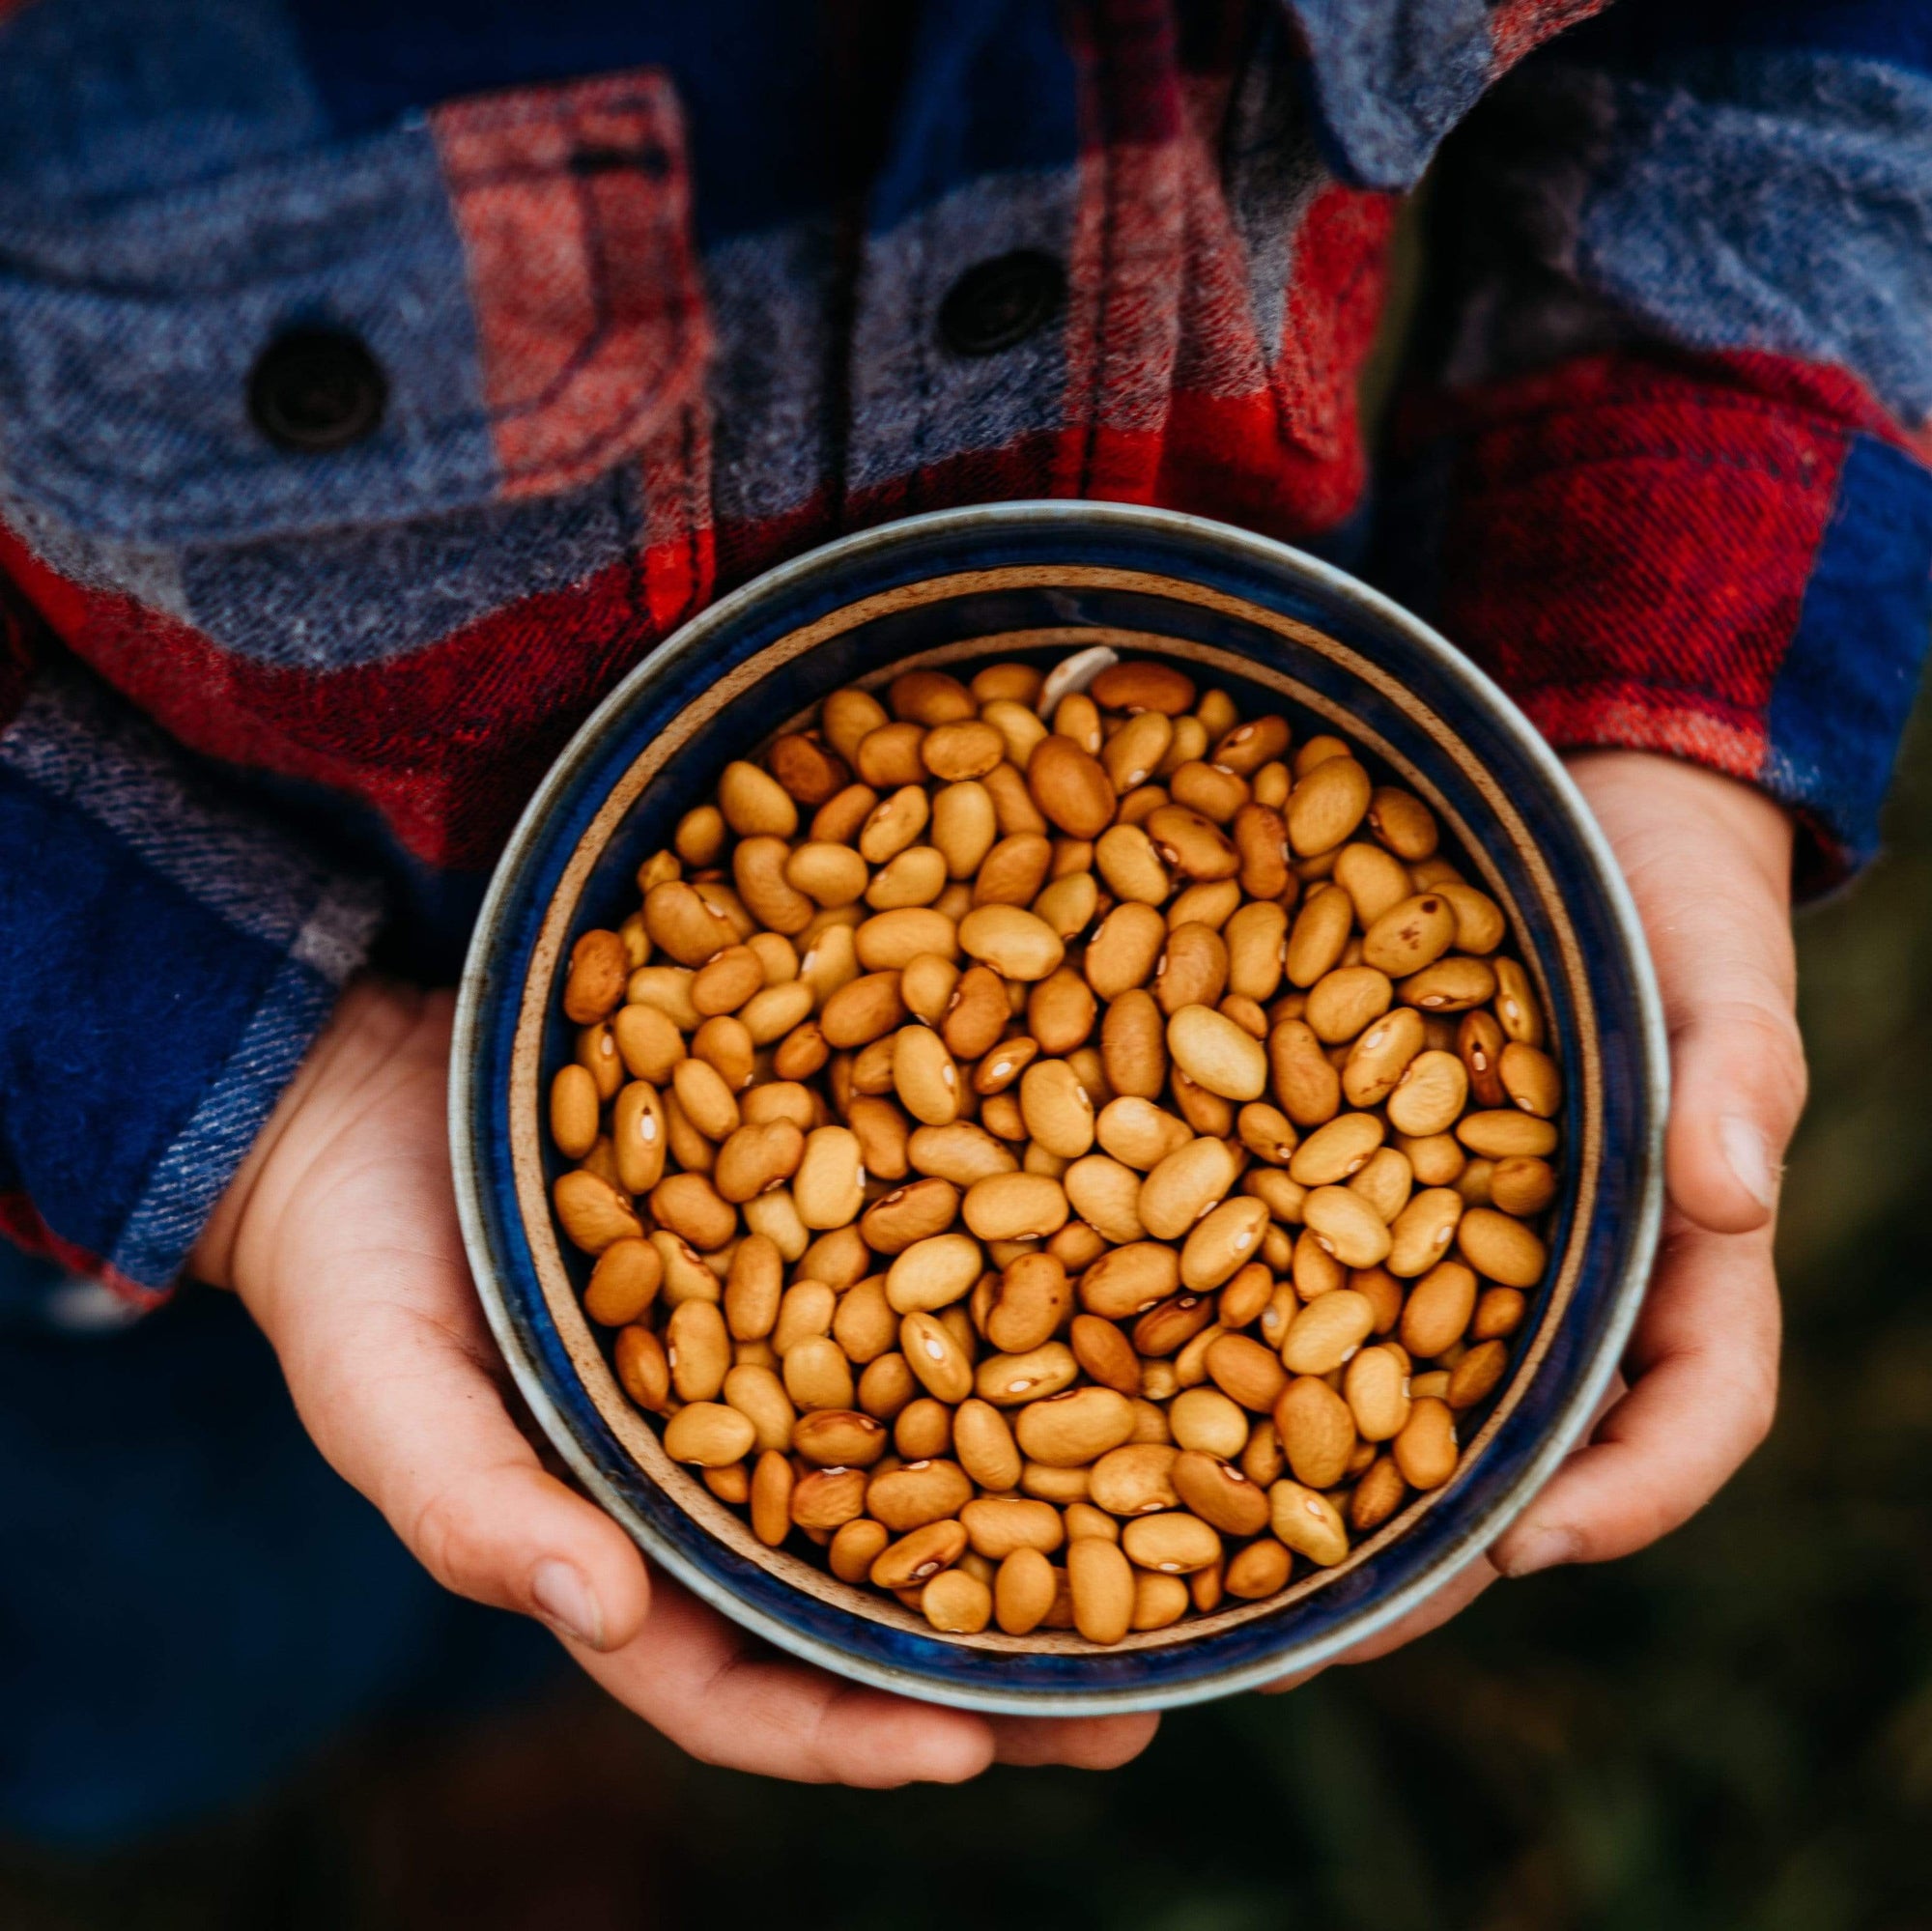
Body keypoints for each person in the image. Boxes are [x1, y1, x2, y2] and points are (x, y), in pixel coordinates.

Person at [2, 0, 1923, 1826]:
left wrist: (1661, 678)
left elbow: (1784, 68)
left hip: (1122, 705)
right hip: (138, 1031)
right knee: (159, 1629)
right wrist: (226, 1104)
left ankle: (514, 1708)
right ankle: (333, 1738)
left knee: (554, 1543)